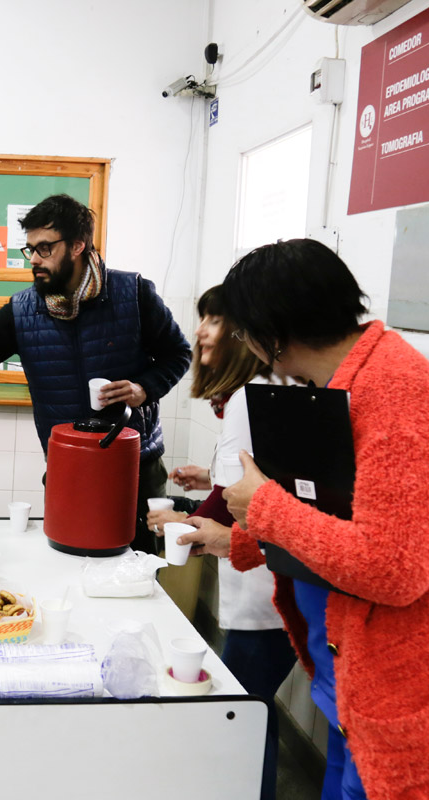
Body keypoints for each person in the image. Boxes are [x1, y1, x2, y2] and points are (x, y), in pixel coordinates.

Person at [178, 239, 429, 800]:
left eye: (244, 331)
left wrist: (265, 507)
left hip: (423, 686)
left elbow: (394, 568)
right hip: (357, 679)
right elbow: (336, 511)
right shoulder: (343, 382)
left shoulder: (396, 396)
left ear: (272, 336)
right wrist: (241, 539)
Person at [0, 194, 193, 597]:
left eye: (45, 248)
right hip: (69, 467)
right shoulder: (23, 310)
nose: (34, 258)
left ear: (78, 246)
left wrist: (143, 388)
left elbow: (179, 353)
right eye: (30, 248)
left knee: (136, 576)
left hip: (136, 463)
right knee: (69, 567)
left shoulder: (133, 294)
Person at [147, 285, 296, 800]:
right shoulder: (252, 394)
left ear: (243, 334)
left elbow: (242, 498)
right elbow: (245, 483)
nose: (202, 332)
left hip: (266, 590)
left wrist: (186, 519)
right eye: (203, 317)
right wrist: (200, 493)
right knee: (250, 708)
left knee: (242, 712)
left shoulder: (248, 399)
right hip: (269, 581)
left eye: (214, 319)